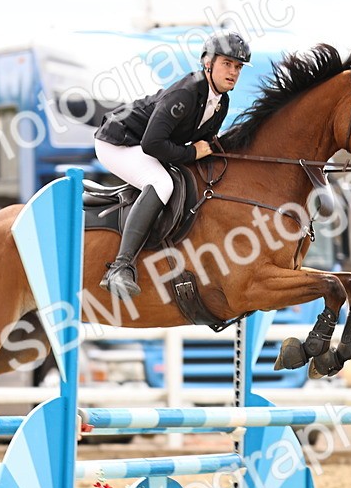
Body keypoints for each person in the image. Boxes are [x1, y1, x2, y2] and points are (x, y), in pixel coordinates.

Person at [93, 31, 250, 299]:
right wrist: (191, 153)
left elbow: (205, 145)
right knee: (161, 182)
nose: (233, 72)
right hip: (118, 143)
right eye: (227, 63)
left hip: (145, 144)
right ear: (208, 63)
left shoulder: (221, 102)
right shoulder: (186, 93)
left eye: (238, 67)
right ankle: (120, 267)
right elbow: (152, 144)